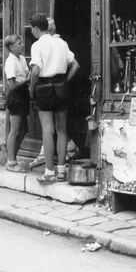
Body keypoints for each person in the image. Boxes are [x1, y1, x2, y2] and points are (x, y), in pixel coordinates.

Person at [29, 13, 80, 183]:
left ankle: (49, 172)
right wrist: (65, 80)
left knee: (47, 131)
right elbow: (75, 65)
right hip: (61, 86)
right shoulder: (61, 42)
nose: (32, 32)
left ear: (37, 28)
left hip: (44, 88)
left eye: (32, 29)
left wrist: (31, 88)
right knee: (62, 130)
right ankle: (61, 171)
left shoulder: (37, 45)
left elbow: (36, 70)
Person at [4, 35, 30, 172]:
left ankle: (12, 157)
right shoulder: (10, 62)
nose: (22, 45)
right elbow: (12, 86)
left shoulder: (21, 59)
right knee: (15, 130)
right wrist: (28, 80)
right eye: (19, 43)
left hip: (23, 94)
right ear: (11, 47)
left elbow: (26, 75)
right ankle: (11, 162)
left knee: (24, 129)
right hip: (15, 96)